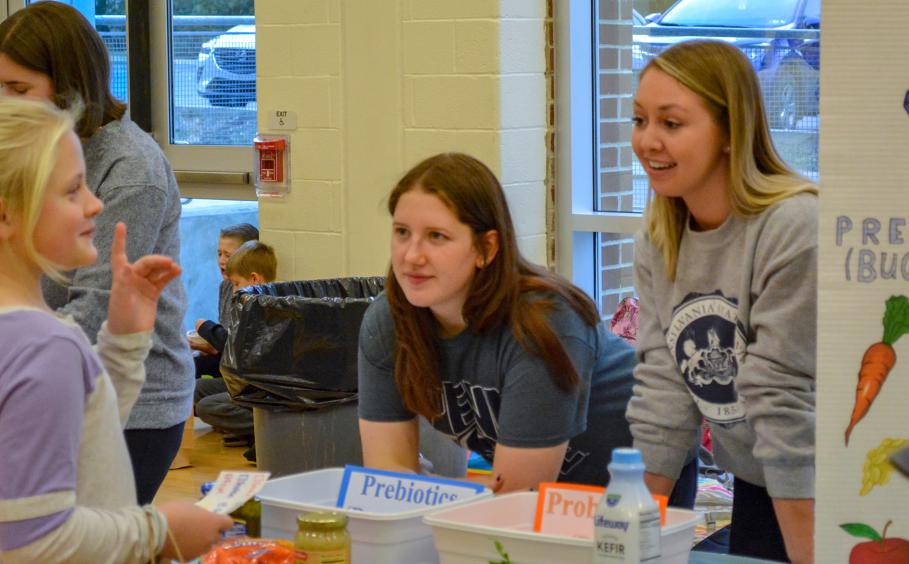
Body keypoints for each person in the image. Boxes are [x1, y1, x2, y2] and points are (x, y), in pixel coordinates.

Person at [0, 96, 232, 562]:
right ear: (7, 215)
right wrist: (158, 532)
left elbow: (87, 434)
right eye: (72, 191)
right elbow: (30, 541)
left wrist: (123, 342)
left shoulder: (40, 340)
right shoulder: (45, 345)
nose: (94, 204)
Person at [625, 39, 817, 563]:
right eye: (640, 120)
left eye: (671, 123)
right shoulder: (659, 239)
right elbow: (663, 392)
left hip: (822, 482)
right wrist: (629, 539)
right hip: (758, 481)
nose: (647, 141)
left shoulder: (793, 227)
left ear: (731, 133)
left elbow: (782, 399)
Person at [358, 152, 642, 492]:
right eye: (402, 232)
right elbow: (386, 477)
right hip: (537, 488)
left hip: (636, 481)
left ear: (486, 248)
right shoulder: (388, 320)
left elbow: (514, 494)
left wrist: (423, 491)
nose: (412, 255)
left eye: (437, 237)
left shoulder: (544, 322)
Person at [0, 2, 192, 504]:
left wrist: (155, 536)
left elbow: (92, 310)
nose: (4, 102)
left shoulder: (131, 169)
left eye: (18, 90)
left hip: (140, 406)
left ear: (68, 86)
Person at [194, 240, 278, 460]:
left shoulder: (268, 311)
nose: (233, 290)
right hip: (240, 384)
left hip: (258, 393)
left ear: (254, 279)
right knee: (195, 389)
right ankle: (244, 431)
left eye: (236, 284)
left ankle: (261, 431)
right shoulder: (247, 307)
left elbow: (237, 347)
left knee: (206, 406)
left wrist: (207, 329)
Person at [192, 222, 259, 377]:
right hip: (227, 360)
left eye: (228, 255)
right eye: (219, 253)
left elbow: (241, 349)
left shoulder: (254, 293)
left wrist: (207, 330)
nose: (221, 260)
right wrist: (210, 345)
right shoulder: (225, 286)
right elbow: (225, 337)